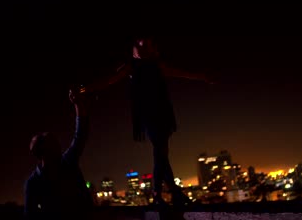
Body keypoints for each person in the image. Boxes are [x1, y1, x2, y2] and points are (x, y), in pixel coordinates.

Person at [87, 35, 213, 207]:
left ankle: (169, 194)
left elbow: (181, 73)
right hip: (149, 116)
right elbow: (109, 80)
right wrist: (87, 88)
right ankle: (164, 193)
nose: (143, 47)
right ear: (133, 49)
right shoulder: (131, 67)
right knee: (160, 153)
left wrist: (201, 77)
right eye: (139, 44)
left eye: (146, 45)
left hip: (162, 113)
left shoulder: (156, 65)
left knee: (161, 155)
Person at [24, 87, 93, 220]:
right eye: (54, 144)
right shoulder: (34, 183)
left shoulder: (66, 162)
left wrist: (78, 105)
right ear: (44, 153)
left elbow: (80, 135)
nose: (59, 146)